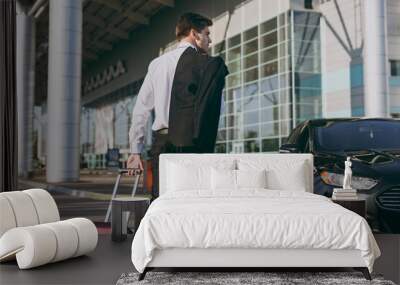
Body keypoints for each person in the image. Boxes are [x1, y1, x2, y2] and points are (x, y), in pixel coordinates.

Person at [127, 12, 228, 200]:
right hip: (193, 142)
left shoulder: (157, 64)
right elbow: (218, 109)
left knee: (160, 198)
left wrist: (135, 150)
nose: (209, 40)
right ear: (194, 34)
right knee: (192, 199)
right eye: (206, 34)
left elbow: (141, 109)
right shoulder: (207, 66)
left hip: (162, 142)